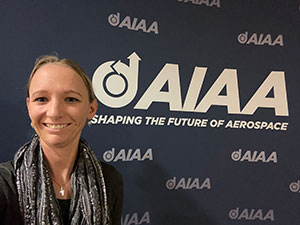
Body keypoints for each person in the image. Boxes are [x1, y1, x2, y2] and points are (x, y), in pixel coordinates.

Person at [0, 55, 123, 225]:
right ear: (29, 107)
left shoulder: (109, 180)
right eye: (41, 99)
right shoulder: (4, 184)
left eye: (71, 99)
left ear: (91, 108)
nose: (54, 112)